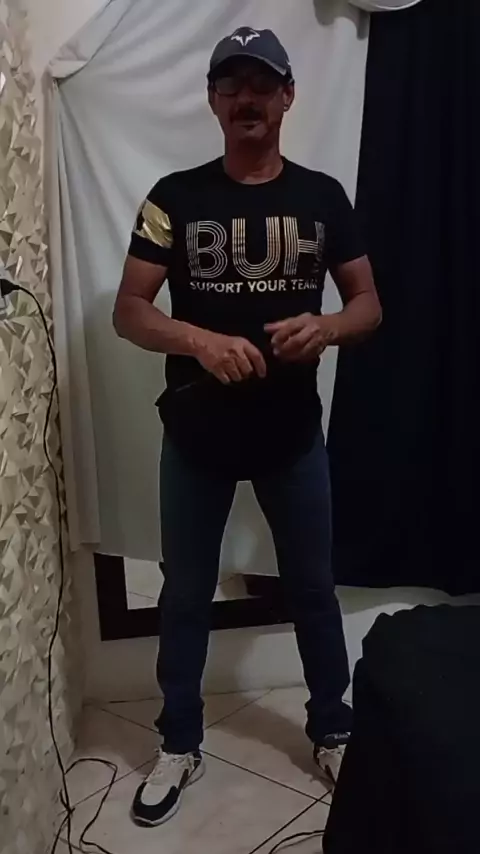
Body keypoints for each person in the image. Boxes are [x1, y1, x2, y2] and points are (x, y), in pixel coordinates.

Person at [114, 25, 382, 827]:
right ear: (212, 101)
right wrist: (197, 340)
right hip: (196, 433)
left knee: (312, 588)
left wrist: (326, 328)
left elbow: (369, 305)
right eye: (230, 85)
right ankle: (179, 741)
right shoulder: (174, 197)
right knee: (185, 593)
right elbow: (129, 310)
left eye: (261, 84)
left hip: (290, 432)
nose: (246, 99)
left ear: (288, 96)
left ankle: (333, 728)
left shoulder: (323, 197)